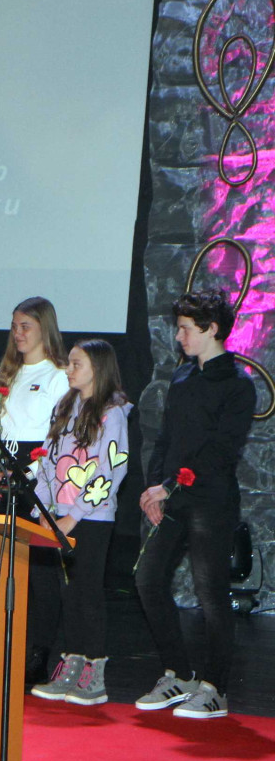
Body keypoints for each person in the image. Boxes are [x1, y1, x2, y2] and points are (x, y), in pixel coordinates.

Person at [134, 289, 256, 720]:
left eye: (186, 328)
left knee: (210, 593)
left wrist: (169, 487)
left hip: (210, 502)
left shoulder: (238, 385)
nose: (179, 336)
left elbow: (219, 453)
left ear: (212, 329)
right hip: (172, 497)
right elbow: (166, 438)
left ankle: (215, 688)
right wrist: (154, 487)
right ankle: (179, 674)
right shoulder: (184, 376)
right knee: (147, 579)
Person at [29, 340, 131, 705]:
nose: (69, 370)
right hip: (58, 517)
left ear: (97, 369)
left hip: (91, 518)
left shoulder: (112, 413)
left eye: (76, 364)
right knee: (67, 591)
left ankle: (94, 671)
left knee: (87, 591)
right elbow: (47, 459)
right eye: (69, 363)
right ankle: (71, 662)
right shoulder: (65, 406)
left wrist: (74, 515)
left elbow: (111, 469)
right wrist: (43, 509)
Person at [0, 297, 69, 683]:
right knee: (3, 567)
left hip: (38, 479)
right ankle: (4, 647)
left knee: (38, 571)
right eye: (14, 326)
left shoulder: (58, 376)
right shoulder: (2, 374)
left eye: (26, 326)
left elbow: (57, 436)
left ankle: (38, 653)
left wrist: (27, 473)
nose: (18, 333)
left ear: (44, 329)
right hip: (3, 479)